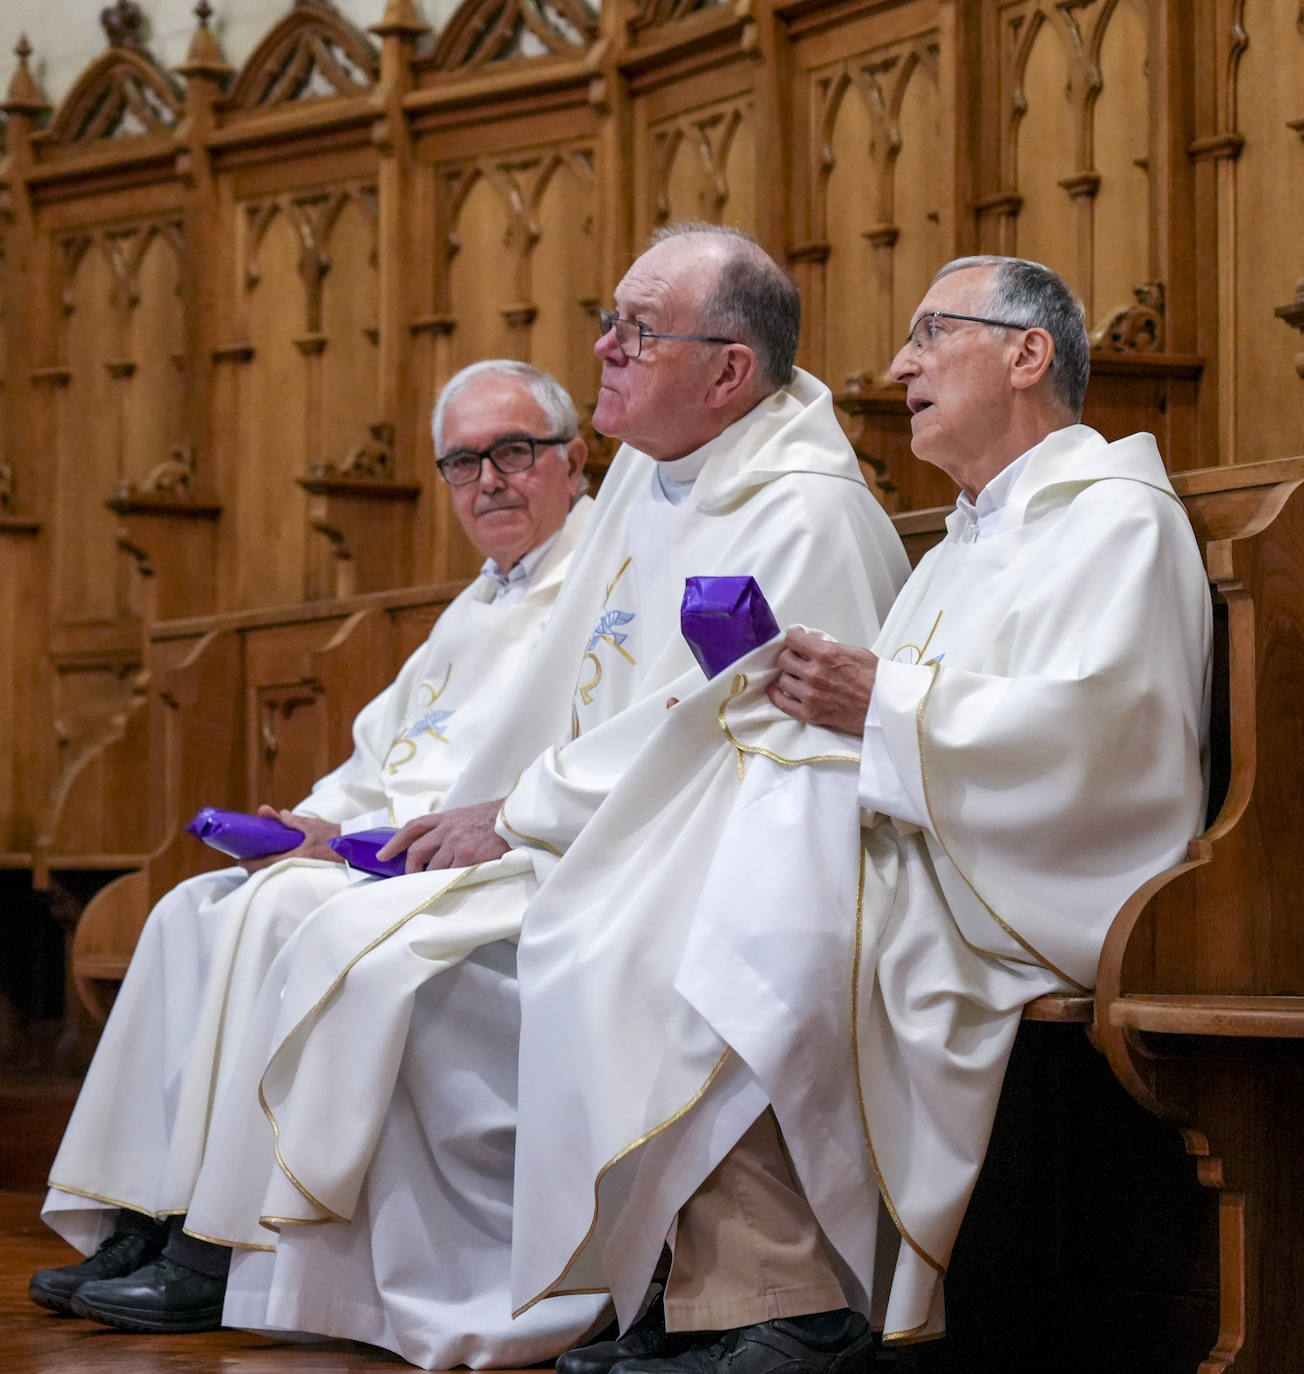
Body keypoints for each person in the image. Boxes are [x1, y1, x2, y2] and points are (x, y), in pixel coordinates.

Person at [143, 223, 911, 1369]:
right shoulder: (656, 489)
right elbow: (567, 696)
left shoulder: (798, 508)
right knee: (363, 934)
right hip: (613, 834)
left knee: (475, 956)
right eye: (611, 319)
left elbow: (735, 721)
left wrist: (517, 814)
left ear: (728, 373)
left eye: (637, 331)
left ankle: (735, 1298)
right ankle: (417, 1284)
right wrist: (487, 810)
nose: (604, 345)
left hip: (740, 847)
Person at [507, 255, 1212, 1368]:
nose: (898, 365)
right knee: (660, 903)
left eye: (933, 334)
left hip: (1034, 885)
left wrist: (882, 702)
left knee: (720, 918)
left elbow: (1104, 741)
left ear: (1026, 355)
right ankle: (704, 1287)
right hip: (939, 849)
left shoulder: (1111, 519)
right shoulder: (969, 537)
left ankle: (789, 1295)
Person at [31, 360, 594, 1329]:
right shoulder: (481, 599)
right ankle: (148, 1215)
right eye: (462, 462)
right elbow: (386, 754)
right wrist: (315, 823)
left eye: (512, 452)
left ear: (573, 458)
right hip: (393, 863)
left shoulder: (602, 579)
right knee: (185, 911)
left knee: (280, 905)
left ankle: (219, 1247)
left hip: (504, 869)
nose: (489, 480)